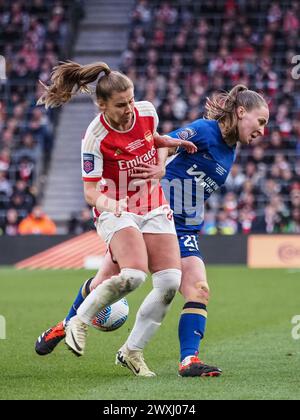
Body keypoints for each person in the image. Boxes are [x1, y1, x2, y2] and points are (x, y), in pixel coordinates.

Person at [35, 84, 269, 377]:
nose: (262, 130)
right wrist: (160, 168)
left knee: (198, 289)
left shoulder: (230, 149)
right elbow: (161, 143)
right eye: (260, 122)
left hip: (185, 228)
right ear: (241, 111)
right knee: (105, 282)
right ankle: (66, 326)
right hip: (149, 214)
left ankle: (188, 361)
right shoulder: (205, 130)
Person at [35, 60, 198, 376]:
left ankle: (131, 352)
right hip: (115, 208)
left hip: (152, 203)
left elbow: (151, 137)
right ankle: (78, 322)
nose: (129, 109)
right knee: (134, 275)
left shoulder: (146, 110)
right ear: (101, 105)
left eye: (131, 100)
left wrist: (172, 144)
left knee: (169, 283)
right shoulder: (94, 138)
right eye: (121, 105)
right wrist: (114, 205)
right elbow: (90, 193)